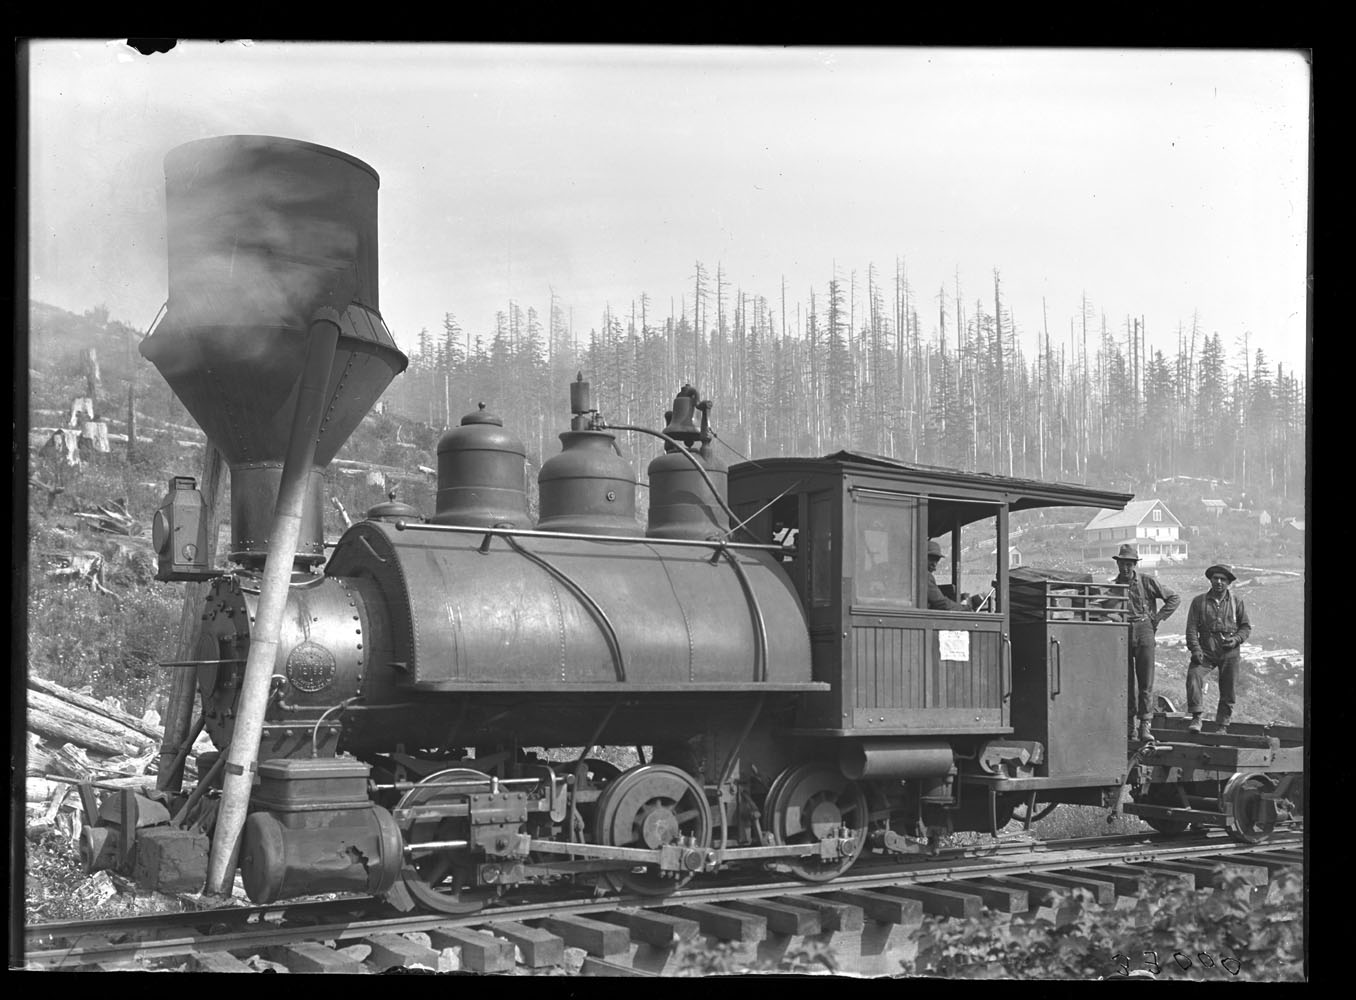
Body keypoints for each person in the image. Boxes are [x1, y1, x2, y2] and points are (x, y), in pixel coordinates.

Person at [1113, 543, 1180, 741]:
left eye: (1129, 564)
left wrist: (1157, 619)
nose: (1125, 568)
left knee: (1146, 681)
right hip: (1123, 630)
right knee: (1126, 681)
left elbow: (1174, 598)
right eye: (1122, 564)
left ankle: (1145, 726)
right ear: (1118, 564)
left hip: (1144, 629)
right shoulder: (1114, 585)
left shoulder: (1147, 582)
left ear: (1135, 564)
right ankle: (1129, 728)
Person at [1184, 563, 1251, 734]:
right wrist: (1195, 649)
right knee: (1194, 675)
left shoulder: (1236, 602)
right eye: (1215, 578)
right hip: (1206, 648)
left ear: (1228, 582)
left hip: (1229, 649)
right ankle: (1197, 717)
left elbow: (1245, 627)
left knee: (1228, 687)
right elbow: (1191, 628)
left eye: (1223, 579)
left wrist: (1236, 639)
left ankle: (1222, 724)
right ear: (1210, 580)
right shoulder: (1199, 602)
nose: (1219, 582)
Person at [927, 539, 970, 611]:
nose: (934, 564)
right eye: (931, 559)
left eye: (937, 560)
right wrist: (964, 608)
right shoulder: (926, 576)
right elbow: (941, 603)